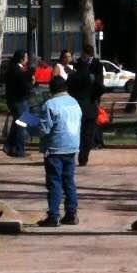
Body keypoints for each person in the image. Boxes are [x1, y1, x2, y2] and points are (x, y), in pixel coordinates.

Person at [36, 71, 83, 226]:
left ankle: (54, 215)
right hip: (72, 146)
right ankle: (71, 213)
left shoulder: (50, 105)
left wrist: (29, 123)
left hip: (55, 148)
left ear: (51, 90)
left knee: (54, 182)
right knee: (69, 181)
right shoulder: (74, 102)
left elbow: (44, 130)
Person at [67, 45, 105, 166]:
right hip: (90, 105)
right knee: (88, 133)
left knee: (77, 132)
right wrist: (94, 96)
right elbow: (101, 88)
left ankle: (73, 155)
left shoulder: (73, 76)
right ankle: (83, 157)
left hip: (77, 106)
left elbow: (69, 88)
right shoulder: (91, 78)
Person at [2, 49, 33, 156]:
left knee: (17, 123)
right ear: (21, 58)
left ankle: (9, 145)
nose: (27, 59)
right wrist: (30, 81)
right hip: (19, 100)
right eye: (26, 57)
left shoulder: (13, 69)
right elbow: (23, 86)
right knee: (22, 125)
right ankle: (19, 149)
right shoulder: (17, 71)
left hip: (14, 100)